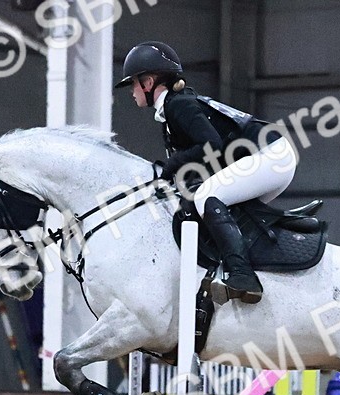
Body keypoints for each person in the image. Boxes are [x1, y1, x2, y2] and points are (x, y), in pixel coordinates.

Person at [116, 41, 298, 304]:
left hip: (269, 154)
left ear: (149, 82)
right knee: (214, 208)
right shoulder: (174, 109)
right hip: (268, 154)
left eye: (133, 84)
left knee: (206, 198)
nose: (132, 91)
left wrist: (172, 164)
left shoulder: (178, 105)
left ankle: (243, 277)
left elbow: (211, 145)